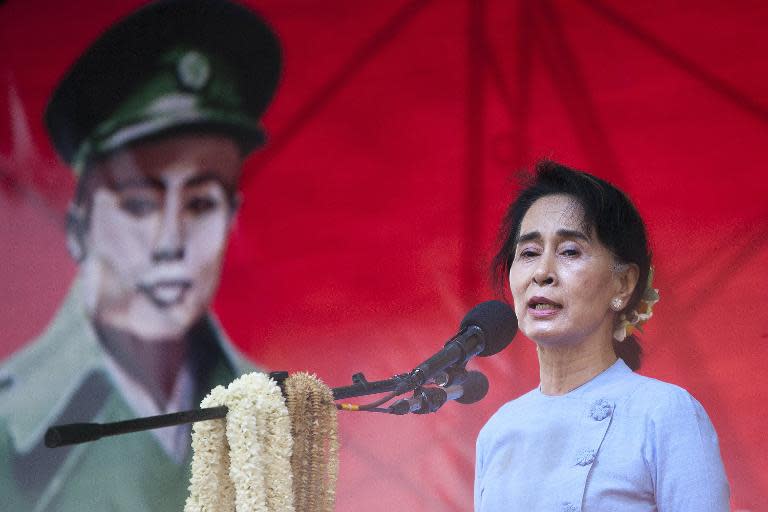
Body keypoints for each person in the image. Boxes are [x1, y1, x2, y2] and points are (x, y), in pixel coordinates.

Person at [0, 1, 281, 510]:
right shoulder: (12, 426)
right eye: (138, 204)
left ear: (231, 218)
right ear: (78, 227)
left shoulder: (271, 415)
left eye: (201, 203)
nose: (171, 240)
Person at [474, 161, 730, 511]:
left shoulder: (664, 413)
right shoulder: (498, 431)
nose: (542, 273)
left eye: (569, 252)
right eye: (529, 253)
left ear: (623, 284)